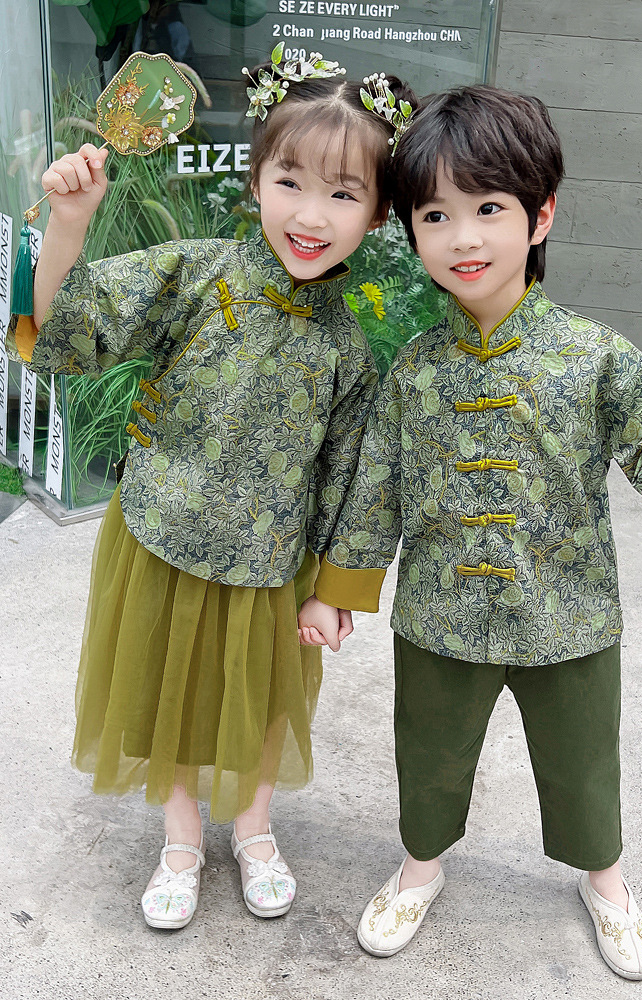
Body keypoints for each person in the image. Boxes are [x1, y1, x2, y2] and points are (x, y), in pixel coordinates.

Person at [297, 86, 642, 977]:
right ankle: (419, 868)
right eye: (436, 215)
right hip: (440, 617)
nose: (463, 238)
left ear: (541, 216)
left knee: (583, 762)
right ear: (412, 232)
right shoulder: (413, 370)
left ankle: (605, 881)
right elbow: (376, 488)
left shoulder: (595, 356)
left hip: (568, 616)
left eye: (489, 209)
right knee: (428, 757)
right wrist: (337, 594)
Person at [6, 53, 414, 930]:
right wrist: (70, 224)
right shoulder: (193, 276)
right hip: (160, 536)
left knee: (263, 700)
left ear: (379, 212)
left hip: (273, 563)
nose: (311, 215)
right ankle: (182, 835)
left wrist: (334, 591)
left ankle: (255, 827)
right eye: (289, 182)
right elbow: (69, 331)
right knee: (170, 690)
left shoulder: (348, 349)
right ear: (255, 178)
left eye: (344, 194)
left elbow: (351, 479)